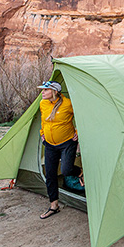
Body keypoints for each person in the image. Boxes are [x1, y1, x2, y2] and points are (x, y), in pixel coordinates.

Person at [37, 80, 79, 219]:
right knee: (50, 174)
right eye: (43, 90)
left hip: (67, 143)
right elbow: (44, 120)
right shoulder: (43, 103)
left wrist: (78, 131)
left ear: (54, 91)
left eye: (45, 90)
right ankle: (54, 206)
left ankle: (78, 171)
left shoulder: (68, 103)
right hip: (49, 144)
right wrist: (42, 132)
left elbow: (81, 116)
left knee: (66, 170)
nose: (42, 92)